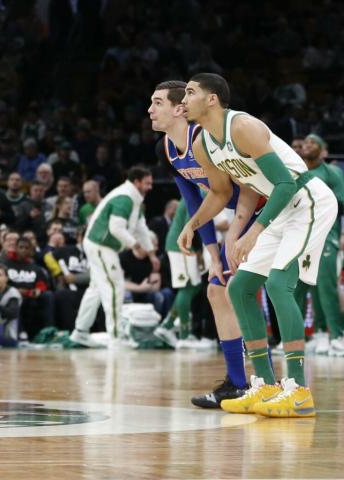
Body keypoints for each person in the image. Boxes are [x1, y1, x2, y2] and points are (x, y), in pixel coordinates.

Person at [177, 74, 339, 417]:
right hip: (279, 208)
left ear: (212, 99)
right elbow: (233, 190)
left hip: (307, 199)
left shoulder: (243, 127)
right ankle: (264, 386)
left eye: (190, 92)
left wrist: (253, 232)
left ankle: (297, 390)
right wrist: (199, 225)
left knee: (280, 284)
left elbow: (283, 183)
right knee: (240, 288)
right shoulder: (204, 143)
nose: (183, 100)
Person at [148, 79, 257, 407]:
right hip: (235, 218)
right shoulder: (165, 149)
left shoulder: (208, 140)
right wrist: (213, 253)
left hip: (261, 210)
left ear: (180, 108)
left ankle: (265, 380)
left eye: (157, 103)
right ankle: (237, 383)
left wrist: (234, 238)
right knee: (215, 288)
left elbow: (244, 187)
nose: (149, 110)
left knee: (238, 287)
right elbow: (194, 202)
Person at [68, 166, 156, 348]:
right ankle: (116, 337)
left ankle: (80, 332)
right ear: (137, 182)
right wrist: (135, 245)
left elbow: (141, 228)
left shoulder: (135, 199)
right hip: (101, 245)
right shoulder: (124, 198)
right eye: (147, 183)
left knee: (96, 289)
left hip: (102, 246)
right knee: (116, 287)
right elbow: (116, 228)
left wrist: (151, 253)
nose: (150, 187)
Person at [296, 134, 344, 353]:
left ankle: (337, 335)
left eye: (314, 143)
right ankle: (319, 333)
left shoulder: (332, 173)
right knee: (304, 287)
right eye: (306, 142)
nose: (307, 145)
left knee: (326, 287)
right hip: (302, 237)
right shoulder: (298, 172)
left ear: (324, 151)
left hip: (326, 236)